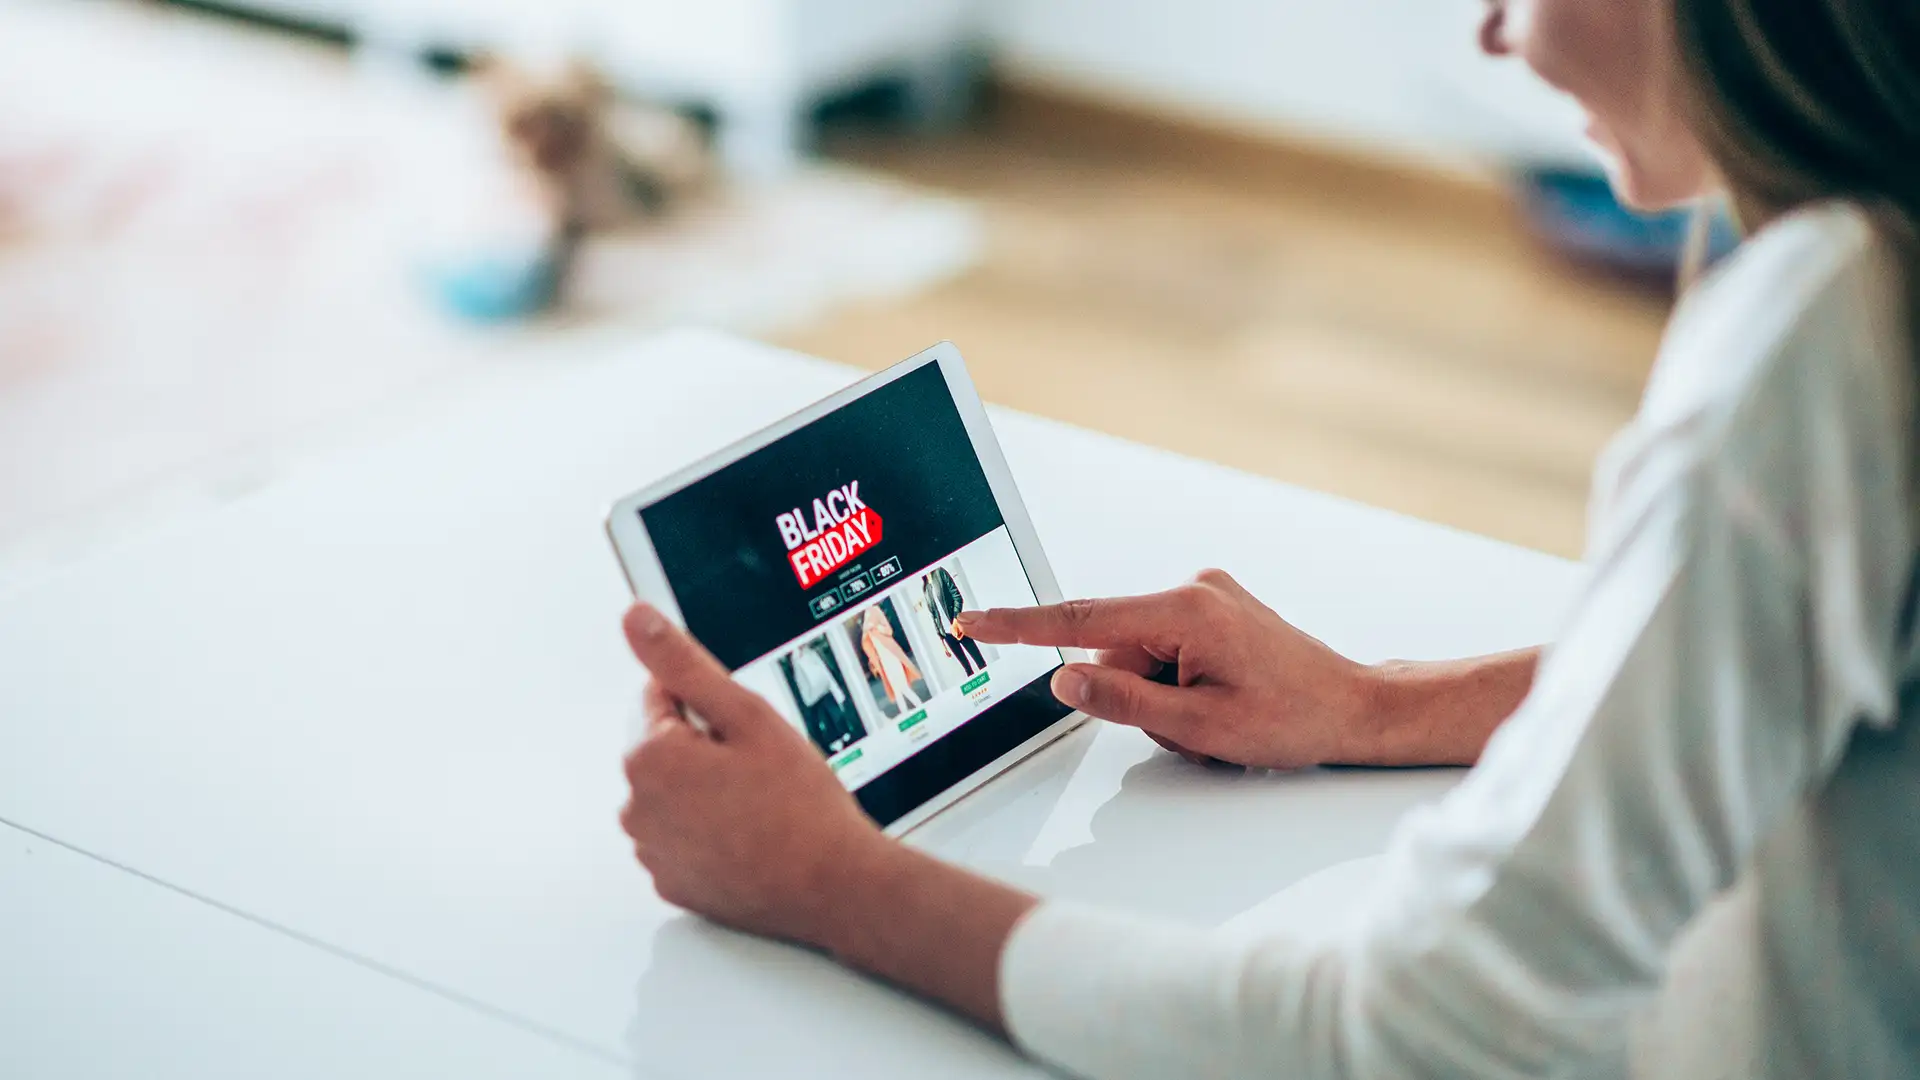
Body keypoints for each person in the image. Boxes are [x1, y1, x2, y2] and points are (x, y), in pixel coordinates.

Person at [616, 0, 1920, 1075]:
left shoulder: (1825, 332)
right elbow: (1754, 664)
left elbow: (1417, 1033)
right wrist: (1370, 704)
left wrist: (829, 882)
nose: (1493, 33)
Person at [858, 604, 925, 714]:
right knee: (896, 689)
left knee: (902, 685)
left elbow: (889, 630)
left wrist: (876, 627)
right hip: (882, 660)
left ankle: (920, 706)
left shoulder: (875, 610)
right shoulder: (866, 615)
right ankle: (907, 712)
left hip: (892, 654)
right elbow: (866, 641)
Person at [924, 565, 986, 676]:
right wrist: (942, 642)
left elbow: (957, 596)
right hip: (947, 635)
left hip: (959, 627)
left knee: (980, 663)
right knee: (968, 671)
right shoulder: (926, 588)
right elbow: (934, 616)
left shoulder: (939, 572)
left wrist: (956, 620)